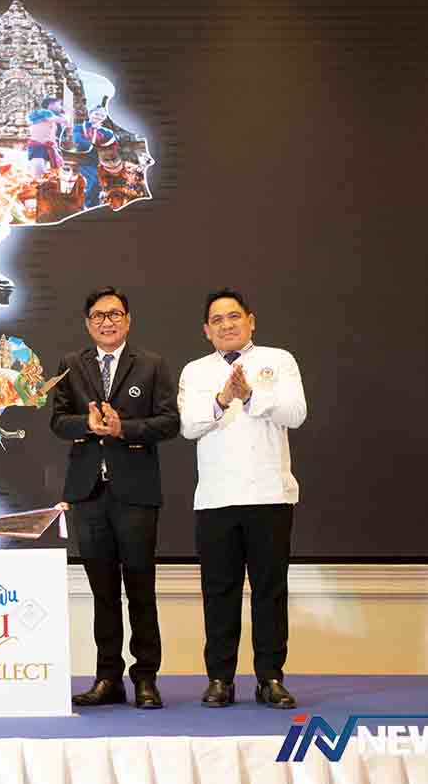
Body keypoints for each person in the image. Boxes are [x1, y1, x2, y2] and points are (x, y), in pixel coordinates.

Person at [50, 287, 180, 709]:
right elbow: (58, 420)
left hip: (136, 492)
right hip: (88, 493)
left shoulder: (151, 364)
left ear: (128, 320)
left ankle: (146, 678)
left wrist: (125, 429)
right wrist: (86, 425)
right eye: (98, 316)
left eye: (115, 314)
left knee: (140, 588)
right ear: (87, 323)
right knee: (103, 593)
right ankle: (108, 678)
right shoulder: (72, 364)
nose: (107, 322)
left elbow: (170, 422)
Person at [178, 288, 307, 709]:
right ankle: (220, 678)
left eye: (234, 317)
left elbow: (296, 414)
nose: (226, 325)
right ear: (206, 330)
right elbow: (189, 426)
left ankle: (270, 677)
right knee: (219, 592)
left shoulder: (279, 360)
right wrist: (223, 398)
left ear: (251, 320)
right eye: (217, 320)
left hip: (270, 494)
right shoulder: (196, 371)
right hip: (215, 499)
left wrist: (250, 395)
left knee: (270, 591)